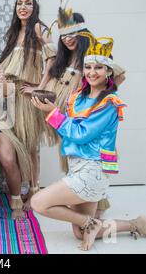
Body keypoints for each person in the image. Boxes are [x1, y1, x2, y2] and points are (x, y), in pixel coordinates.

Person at [30, 33, 146, 251]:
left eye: (99, 68)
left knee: (38, 202)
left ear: (109, 71)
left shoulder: (109, 103)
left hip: (92, 170)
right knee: (78, 234)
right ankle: (134, 224)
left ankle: (88, 223)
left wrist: (53, 112)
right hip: (77, 166)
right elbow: (68, 130)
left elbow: (80, 134)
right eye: (89, 67)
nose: (92, 72)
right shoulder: (78, 97)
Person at [40, 0, 126, 217]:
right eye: (64, 35)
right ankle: (80, 198)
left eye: (73, 34)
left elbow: (119, 75)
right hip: (68, 118)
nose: (68, 39)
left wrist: (99, 96)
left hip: (84, 124)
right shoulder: (64, 58)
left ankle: (97, 202)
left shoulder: (95, 58)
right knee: (70, 158)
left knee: (88, 154)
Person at [0, 0, 57, 211]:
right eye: (20, 3)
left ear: (35, 7)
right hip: (12, 95)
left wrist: (39, 87)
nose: (23, 7)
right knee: (18, 144)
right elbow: (10, 64)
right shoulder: (15, 33)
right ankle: (22, 188)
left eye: (28, 3)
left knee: (31, 146)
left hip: (27, 96)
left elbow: (52, 57)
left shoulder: (40, 29)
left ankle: (34, 192)